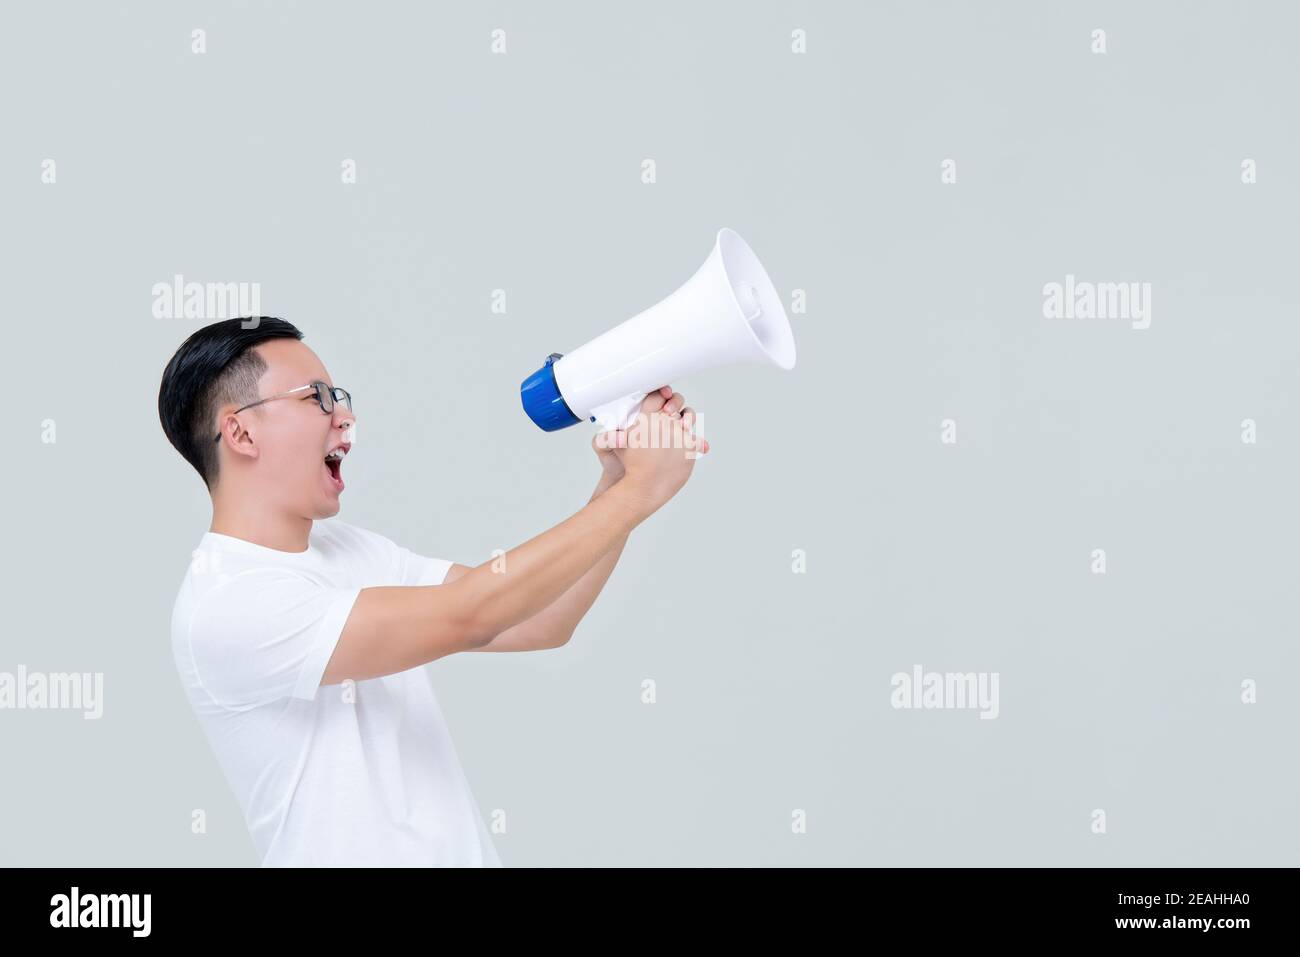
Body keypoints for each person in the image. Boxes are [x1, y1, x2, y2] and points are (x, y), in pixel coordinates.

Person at [157, 316, 707, 866]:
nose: (345, 417)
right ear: (241, 432)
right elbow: (468, 614)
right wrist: (639, 491)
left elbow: (537, 621)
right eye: (317, 399)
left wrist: (615, 485)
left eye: (339, 397)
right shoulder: (225, 603)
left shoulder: (353, 552)